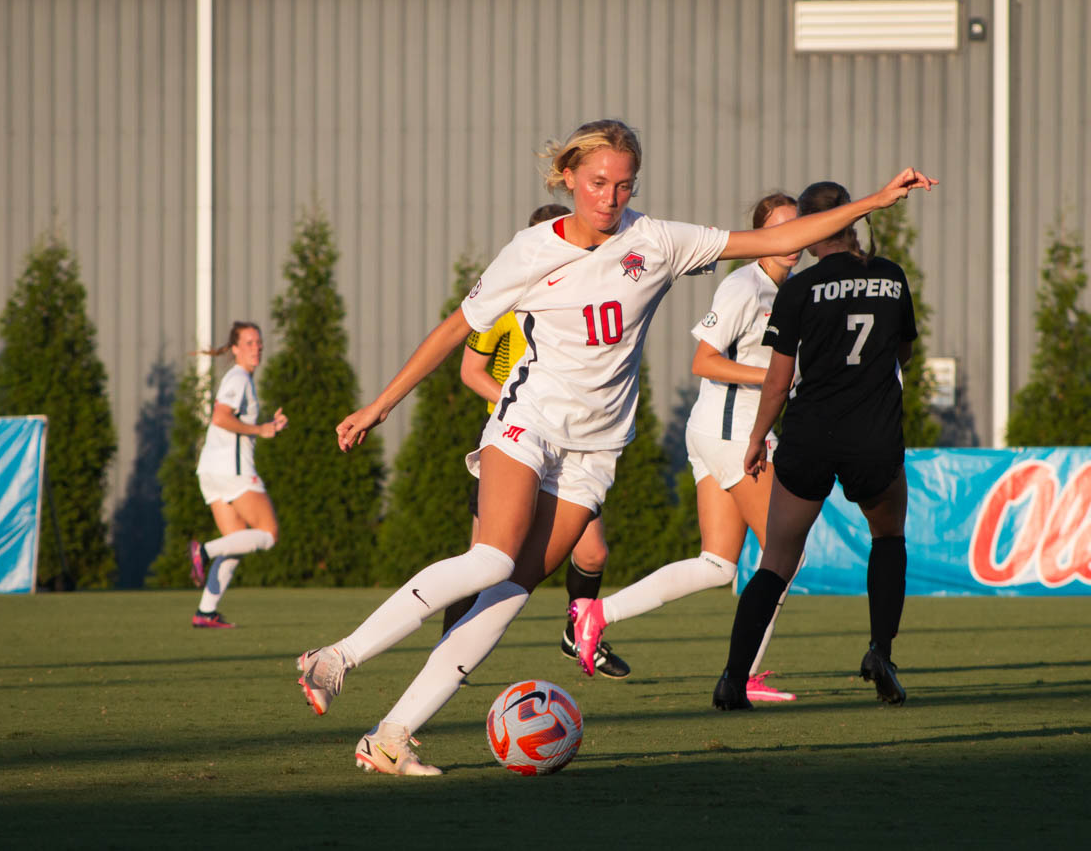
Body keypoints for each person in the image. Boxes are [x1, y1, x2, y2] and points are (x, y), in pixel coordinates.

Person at [295, 119, 935, 775]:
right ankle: (336, 658)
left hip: (596, 447)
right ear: (569, 176)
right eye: (599, 182)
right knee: (492, 559)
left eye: (624, 184)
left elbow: (772, 239)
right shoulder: (530, 249)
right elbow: (456, 328)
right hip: (530, 420)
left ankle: (391, 735)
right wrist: (379, 406)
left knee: (514, 589)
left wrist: (872, 202)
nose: (610, 197)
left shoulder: (655, 241)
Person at [568, 192, 804, 702]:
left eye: (798, 228)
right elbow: (704, 360)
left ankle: (596, 614)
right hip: (731, 435)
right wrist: (772, 378)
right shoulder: (745, 284)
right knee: (785, 555)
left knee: (718, 565)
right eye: (780, 229)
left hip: (723, 432)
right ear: (762, 234)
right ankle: (743, 677)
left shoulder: (790, 290)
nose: (791, 241)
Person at [712, 180, 919, 711]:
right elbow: (902, 353)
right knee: (889, 538)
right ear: (850, 220)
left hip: (810, 435)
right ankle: (881, 652)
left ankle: (734, 679)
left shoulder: (798, 289)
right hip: (873, 435)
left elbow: (778, 382)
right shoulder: (892, 277)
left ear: (810, 228)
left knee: (776, 560)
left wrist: (757, 439)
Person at [446, 201, 631, 679]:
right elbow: (471, 371)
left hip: (570, 441)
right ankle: (450, 650)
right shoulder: (507, 304)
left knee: (592, 552)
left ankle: (580, 634)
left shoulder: (586, 298)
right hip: (513, 439)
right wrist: (518, 398)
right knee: (483, 559)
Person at [188, 321, 288, 628]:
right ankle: (204, 550)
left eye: (258, 342)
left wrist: (268, 425)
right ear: (234, 348)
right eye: (248, 343)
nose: (256, 348)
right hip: (232, 470)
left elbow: (231, 420)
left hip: (210, 470)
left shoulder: (240, 378)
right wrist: (261, 429)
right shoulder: (238, 377)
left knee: (236, 541)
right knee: (269, 535)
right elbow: (220, 417)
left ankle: (206, 612)